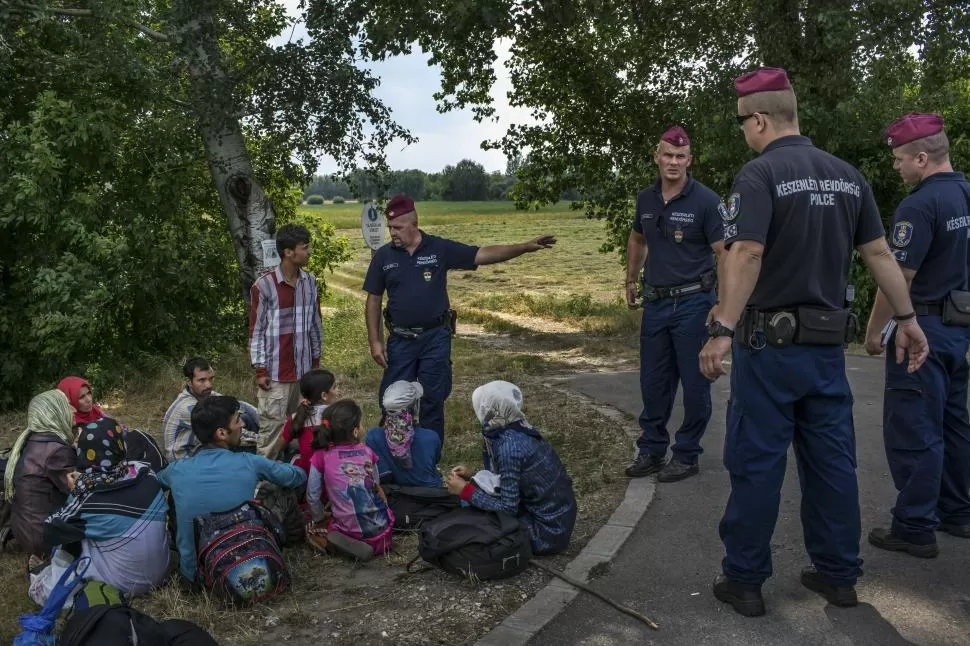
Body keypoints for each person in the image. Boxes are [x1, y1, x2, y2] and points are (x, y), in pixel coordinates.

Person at [698, 67, 929, 617]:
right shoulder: (848, 176)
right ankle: (838, 576)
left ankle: (746, 581)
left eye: (742, 124)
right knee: (831, 463)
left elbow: (747, 254)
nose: (743, 134)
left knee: (757, 462)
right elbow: (879, 255)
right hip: (827, 352)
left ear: (758, 119)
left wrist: (723, 328)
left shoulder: (759, 175)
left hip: (768, 349)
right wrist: (909, 318)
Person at [363, 194, 557, 443]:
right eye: (390, 228)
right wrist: (375, 341)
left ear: (414, 223)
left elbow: (481, 254)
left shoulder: (438, 248)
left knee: (433, 397)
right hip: (400, 339)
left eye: (397, 228)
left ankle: (429, 458)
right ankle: (394, 453)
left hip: (435, 338)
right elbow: (374, 300)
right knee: (392, 398)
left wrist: (524, 247)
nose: (392, 233)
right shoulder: (384, 256)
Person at [863, 113, 970, 557]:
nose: (896, 167)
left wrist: (874, 331)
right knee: (955, 423)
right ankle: (958, 511)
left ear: (921, 158)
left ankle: (914, 525)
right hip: (960, 330)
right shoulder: (967, 194)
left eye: (899, 159)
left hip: (921, 330)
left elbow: (898, 277)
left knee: (915, 427)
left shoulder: (919, 206)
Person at [623, 126, 726, 482]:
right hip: (656, 304)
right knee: (653, 383)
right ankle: (651, 450)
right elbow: (637, 238)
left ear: (689, 161)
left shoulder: (707, 201)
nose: (673, 162)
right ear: (657, 156)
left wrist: (723, 306)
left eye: (681, 157)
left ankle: (686, 453)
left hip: (695, 303)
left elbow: (725, 254)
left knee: (695, 384)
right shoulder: (646, 199)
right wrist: (631, 278)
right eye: (668, 155)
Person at [157, 395, 306, 582]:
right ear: (221, 433)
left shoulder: (176, 470)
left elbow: (155, 483)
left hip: (198, 578)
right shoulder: (249, 462)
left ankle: (187, 559)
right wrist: (286, 464)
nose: (242, 424)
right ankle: (294, 541)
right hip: (250, 563)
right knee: (282, 489)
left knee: (174, 496)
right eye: (237, 420)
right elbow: (297, 477)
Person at [445, 380, 577, 555]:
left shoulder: (508, 446)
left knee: (470, 514)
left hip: (544, 533)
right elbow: (514, 479)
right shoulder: (517, 428)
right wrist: (474, 476)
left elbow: (508, 508)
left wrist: (466, 491)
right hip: (558, 522)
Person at [43, 417, 170, 596]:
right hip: (162, 572)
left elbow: (50, 531)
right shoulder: (145, 472)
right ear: (120, 445)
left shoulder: (88, 500)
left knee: (74, 531)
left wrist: (75, 492)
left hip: (126, 583)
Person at [250, 224, 324, 457]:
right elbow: (257, 330)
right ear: (288, 253)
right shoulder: (264, 285)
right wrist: (260, 369)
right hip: (275, 375)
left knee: (305, 430)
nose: (309, 252)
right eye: (304, 248)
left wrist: (315, 363)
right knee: (271, 433)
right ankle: (265, 488)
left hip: (304, 374)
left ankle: (300, 482)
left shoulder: (310, 282)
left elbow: (315, 325)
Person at [306, 399, 394, 561]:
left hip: (351, 530)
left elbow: (312, 495)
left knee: (313, 530)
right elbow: (376, 485)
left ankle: (335, 539)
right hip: (384, 531)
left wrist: (318, 518)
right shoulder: (367, 451)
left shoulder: (321, 456)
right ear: (355, 431)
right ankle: (372, 540)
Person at [4, 390, 77, 565]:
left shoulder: (34, 440)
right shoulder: (56, 450)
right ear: (54, 411)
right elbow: (80, 489)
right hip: (42, 538)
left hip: (26, 531)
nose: (73, 409)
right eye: (67, 405)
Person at [58, 375, 166, 473]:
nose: (89, 399)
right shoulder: (73, 424)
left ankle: (157, 470)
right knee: (139, 441)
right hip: (103, 462)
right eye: (81, 397)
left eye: (89, 393)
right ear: (69, 401)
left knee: (140, 436)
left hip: (115, 448)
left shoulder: (95, 411)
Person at [162, 356, 259, 461]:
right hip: (186, 458)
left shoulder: (205, 395)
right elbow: (226, 432)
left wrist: (266, 424)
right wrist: (265, 441)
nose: (208, 385)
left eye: (211, 378)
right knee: (251, 453)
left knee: (244, 418)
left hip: (200, 446)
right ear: (189, 382)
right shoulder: (187, 407)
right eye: (202, 380)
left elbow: (241, 405)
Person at [365, 380, 444, 487]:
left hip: (395, 497)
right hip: (430, 496)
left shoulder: (372, 437)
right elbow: (435, 460)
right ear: (415, 407)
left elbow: (383, 476)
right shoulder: (431, 438)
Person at [273, 368, 340, 474]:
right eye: (335, 387)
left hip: (306, 472)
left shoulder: (297, 416)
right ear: (324, 396)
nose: (337, 391)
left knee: (291, 449)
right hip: (335, 471)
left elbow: (279, 446)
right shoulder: (339, 415)